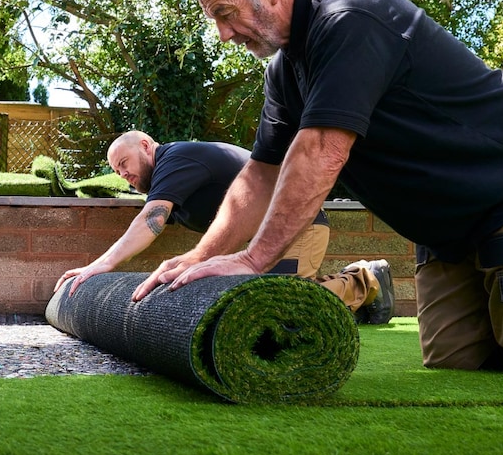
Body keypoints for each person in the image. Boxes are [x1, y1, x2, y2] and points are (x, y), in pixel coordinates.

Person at [134, 0, 503, 375]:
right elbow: (261, 173)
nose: (224, 34)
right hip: (449, 232)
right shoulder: (284, 70)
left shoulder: (351, 17)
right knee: (456, 360)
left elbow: (322, 150)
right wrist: (201, 256)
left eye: (226, 13)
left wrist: (253, 261)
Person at [54, 130, 395, 324]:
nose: (123, 174)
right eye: (117, 171)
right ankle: (353, 296)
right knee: (258, 307)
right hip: (261, 243)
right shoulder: (174, 184)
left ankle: (364, 281)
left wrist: (100, 265)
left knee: (280, 307)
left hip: (298, 226)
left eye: (124, 163)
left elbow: (149, 222)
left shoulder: (175, 159)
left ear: (145, 145)